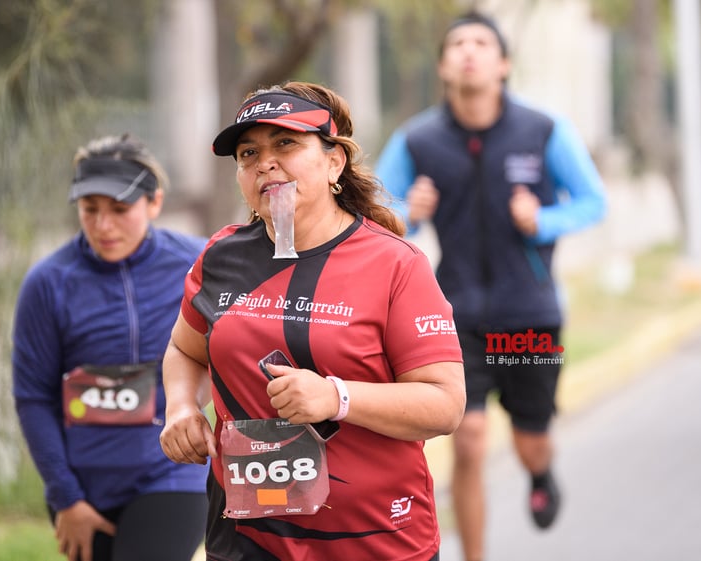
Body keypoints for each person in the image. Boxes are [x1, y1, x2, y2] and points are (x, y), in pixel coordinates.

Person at [158, 81, 466, 561]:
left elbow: (445, 404)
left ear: (333, 162)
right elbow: (184, 349)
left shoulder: (395, 264)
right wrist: (180, 407)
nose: (264, 162)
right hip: (247, 539)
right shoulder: (220, 256)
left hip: (374, 541)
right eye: (247, 153)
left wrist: (336, 397)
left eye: (286, 143)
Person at [375, 11, 607, 561]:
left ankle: (541, 471)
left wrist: (543, 221)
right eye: (457, 43)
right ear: (443, 66)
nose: (469, 52)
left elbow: (594, 201)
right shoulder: (418, 139)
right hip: (455, 320)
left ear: (503, 63)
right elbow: (374, 211)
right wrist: (410, 212)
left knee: (531, 441)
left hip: (528, 316)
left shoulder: (542, 130)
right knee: (470, 443)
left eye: (481, 42)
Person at [11, 133, 209, 561]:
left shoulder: (199, 265)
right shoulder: (48, 283)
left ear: (154, 203)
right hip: (83, 483)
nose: (103, 225)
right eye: (90, 211)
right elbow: (33, 397)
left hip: (173, 471)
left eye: (120, 210)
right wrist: (65, 498)